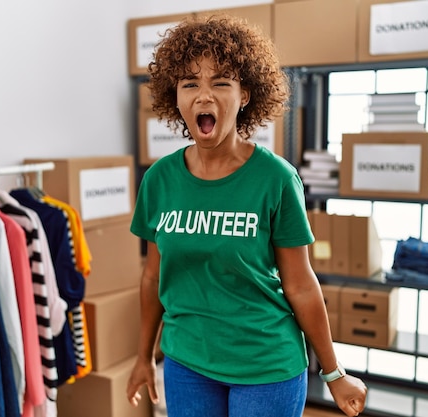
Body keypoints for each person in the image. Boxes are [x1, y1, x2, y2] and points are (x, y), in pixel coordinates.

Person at [126, 14, 367, 417]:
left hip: (265, 365)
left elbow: (302, 284)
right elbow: (154, 276)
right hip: (187, 363)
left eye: (220, 82)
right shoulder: (159, 179)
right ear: (176, 97)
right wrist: (143, 356)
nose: (204, 96)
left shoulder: (275, 179)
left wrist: (333, 372)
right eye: (190, 84)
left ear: (245, 94)